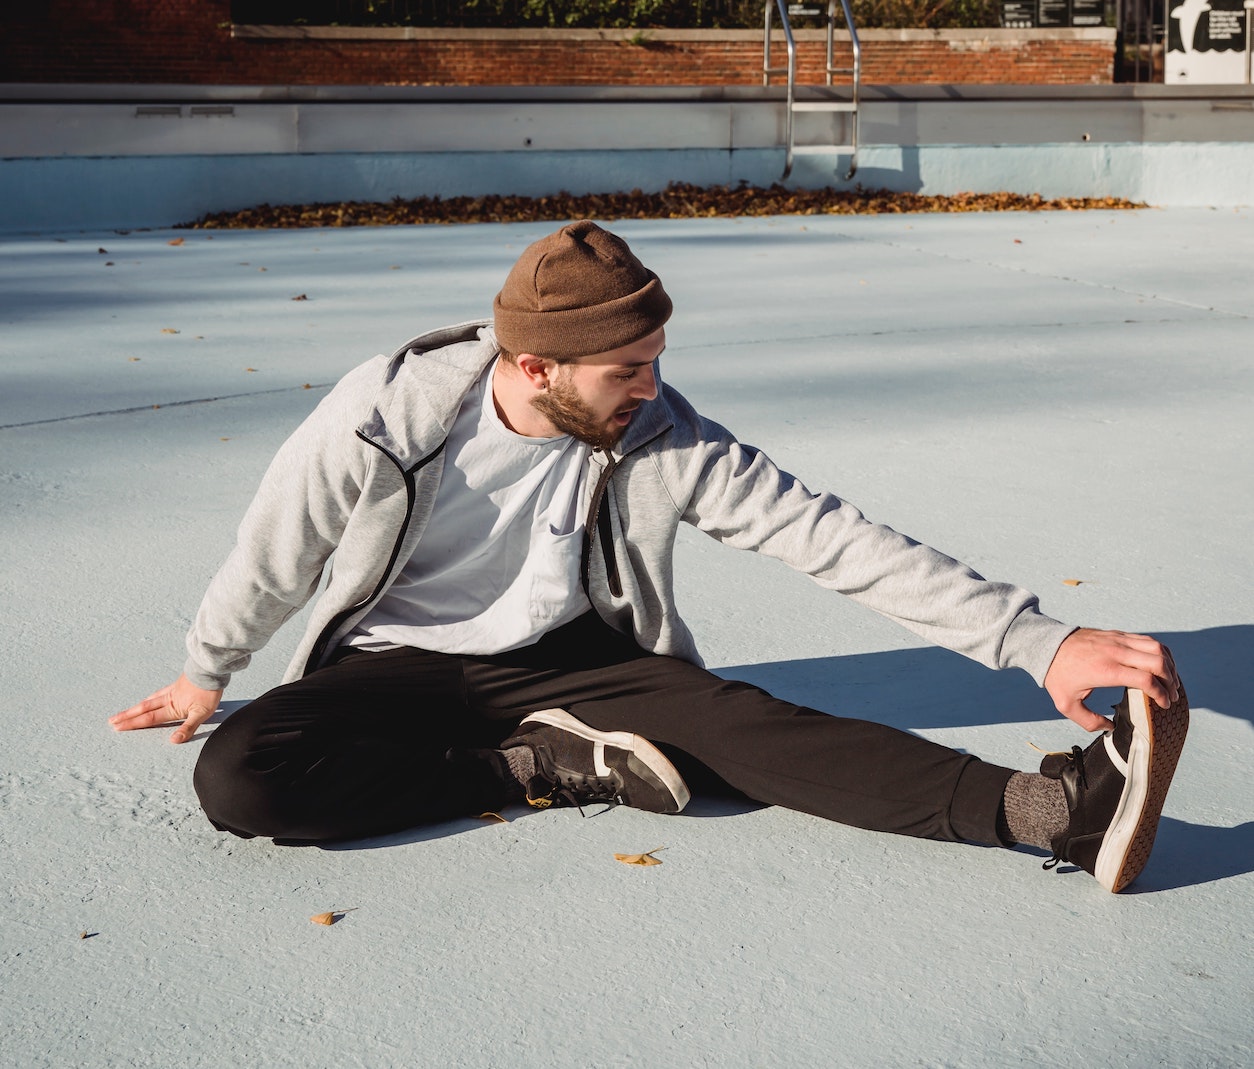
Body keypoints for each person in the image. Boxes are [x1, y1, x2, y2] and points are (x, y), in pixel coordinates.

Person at [111, 220, 1187, 893]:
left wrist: (1037, 643)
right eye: (627, 368)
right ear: (535, 366)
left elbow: (825, 533)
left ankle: (1058, 812)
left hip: (573, 657)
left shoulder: (656, 426)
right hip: (396, 662)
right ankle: (537, 766)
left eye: (656, 361)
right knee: (242, 778)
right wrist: (207, 671)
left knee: (748, 732)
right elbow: (279, 543)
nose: (651, 386)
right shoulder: (390, 412)